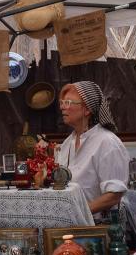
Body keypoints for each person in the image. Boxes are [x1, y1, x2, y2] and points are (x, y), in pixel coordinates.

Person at [55, 81, 129, 214]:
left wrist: (80, 213)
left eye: (69, 102)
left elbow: (114, 194)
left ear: (87, 109)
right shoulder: (66, 144)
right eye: (62, 102)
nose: (62, 107)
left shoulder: (107, 142)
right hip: (72, 225)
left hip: (100, 228)